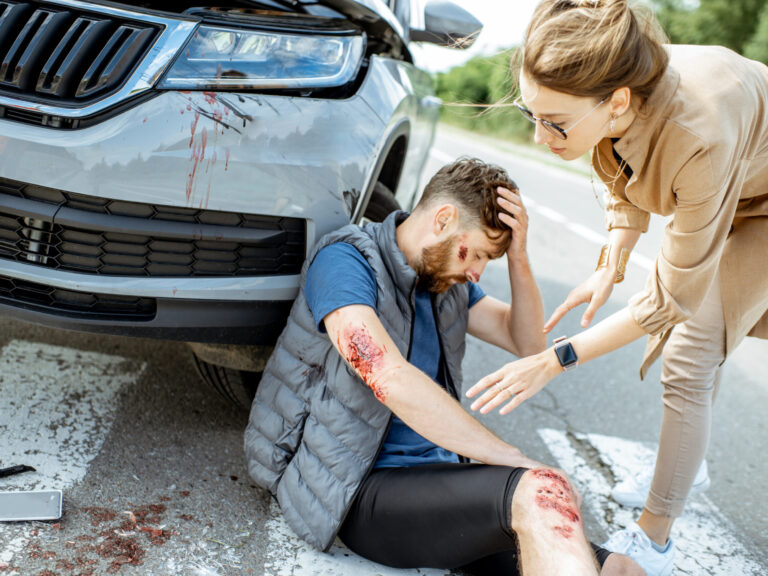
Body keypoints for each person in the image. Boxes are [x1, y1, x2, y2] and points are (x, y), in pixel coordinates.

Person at [465, 2, 768, 575]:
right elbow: (621, 171)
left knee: (690, 347)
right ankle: (688, 466)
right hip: (738, 179)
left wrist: (555, 359)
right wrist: (612, 261)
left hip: (761, 203)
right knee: (704, 332)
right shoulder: (604, 89)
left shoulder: (697, 135)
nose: (539, 136)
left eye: (554, 123)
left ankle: (654, 538)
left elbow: (668, 300)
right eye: (532, 114)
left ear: (618, 102)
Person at [244, 158, 641, 575]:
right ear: (443, 219)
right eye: (477, 254)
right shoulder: (346, 261)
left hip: (437, 481)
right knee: (541, 493)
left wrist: (518, 258)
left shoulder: (446, 285)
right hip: (357, 488)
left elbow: (527, 343)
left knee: (621, 569)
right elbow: (388, 377)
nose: (476, 272)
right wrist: (510, 458)